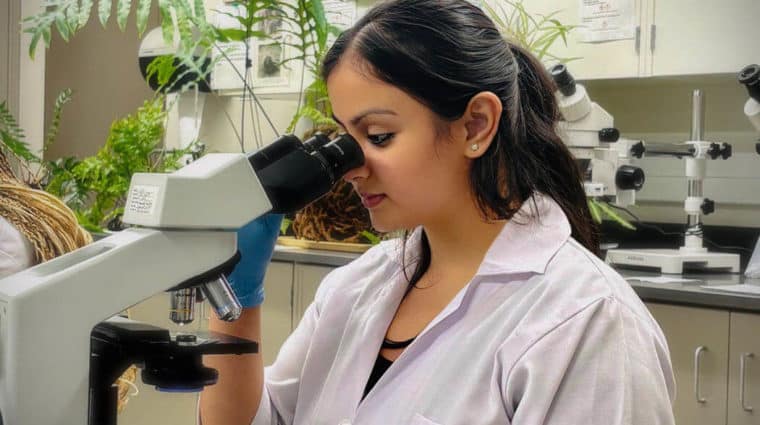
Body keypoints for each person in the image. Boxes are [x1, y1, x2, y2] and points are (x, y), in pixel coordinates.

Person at [201, 0, 676, 424]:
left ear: (476, 123)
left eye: (379, 136)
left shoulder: (586, 321)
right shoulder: (357, 287)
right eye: (346, 136)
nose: (351, 169)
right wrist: (237, 303)